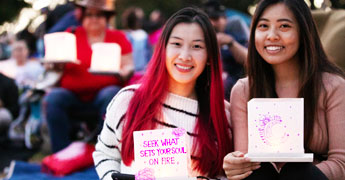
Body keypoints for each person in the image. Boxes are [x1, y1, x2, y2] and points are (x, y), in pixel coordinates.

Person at [93, 7, 233, 180]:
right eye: (176, 44)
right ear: (162, 49)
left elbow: (225, 174)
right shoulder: (128, 100)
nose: (184, 56)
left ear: (210, 57)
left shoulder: (222, 115)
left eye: (197, 46)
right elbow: (105, 154)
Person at [223, 0, 345, 179]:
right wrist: (235, 165)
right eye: (263, 26)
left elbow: (342, 162)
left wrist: (299, 175)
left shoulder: (333, 87)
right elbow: (246, 162)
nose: (272, 35)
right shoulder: (243, 91)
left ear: (304, 33)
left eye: (284, 26)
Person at [42, 0, 134, 153]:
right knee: (53, 98)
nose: (94, 19)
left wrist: (125, 72)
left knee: (111, 94)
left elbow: (128, 64)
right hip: (72, 95)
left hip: (104, 94)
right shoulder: (70, 36)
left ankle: (105, 151)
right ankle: (62, 153)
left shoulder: (118, 37)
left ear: (106, 18)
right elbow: (50, 62)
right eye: (89, 15)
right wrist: (55, 64)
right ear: (82, 18)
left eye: (99, 15)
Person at [202, 0, 249, 100]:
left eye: (215, 18)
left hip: (235, 89)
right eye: (209, 19)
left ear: (225, 19)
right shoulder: (201, 34)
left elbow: (250, 60)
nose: (213, 23)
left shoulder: (234, 27)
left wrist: (231, 43)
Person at [121, 7, 151, 72]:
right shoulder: (143, 35)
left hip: (132, 71)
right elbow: (148, 55)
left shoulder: (124, 35)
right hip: (138, 71)